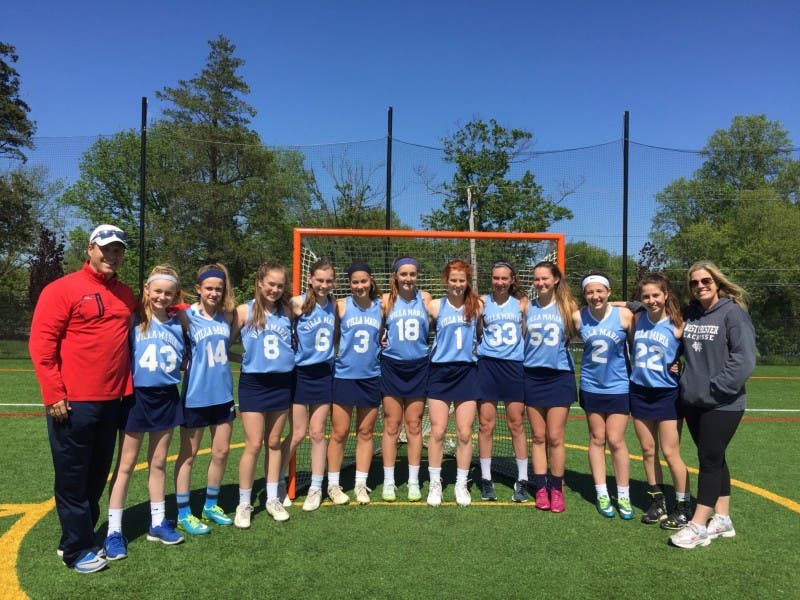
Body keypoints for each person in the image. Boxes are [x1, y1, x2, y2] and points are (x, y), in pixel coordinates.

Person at [29, 224, 137, 573]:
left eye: (118, 250)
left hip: (113, 401)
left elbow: (158, 307)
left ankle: (77, 538)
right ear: (90, 249)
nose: (112, 256)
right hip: (73, 403)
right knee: (73, 477)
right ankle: (76, 550)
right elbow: (41, 344)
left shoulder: (125, 294)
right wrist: (54, 394)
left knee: (96, 475)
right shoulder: (61, 289)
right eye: (106, 249)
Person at [669, 261, 755, 549]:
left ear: (717, 282)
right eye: (694, 282)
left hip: (723, 403)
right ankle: (722, 518)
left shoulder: (733, 313)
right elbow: (658, 308)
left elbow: (744, 359)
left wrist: (716, 388)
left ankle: (698, 526)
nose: (700, 286)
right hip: (692, 400)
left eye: (705, 281)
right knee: (715, 458)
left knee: (708, 460)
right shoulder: (690, 313)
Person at [105, 266, 186, 559]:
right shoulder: (134, 320)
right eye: (157, 291)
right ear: (147, 290)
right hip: (137, 397)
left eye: (168, 293)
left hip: (167, 396)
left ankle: (157, 522)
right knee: (126, 464)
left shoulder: (180, 323)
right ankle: (114, 530)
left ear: (175, 295)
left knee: (159, 461)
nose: (162, 297)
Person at [173, 264, 237, 535]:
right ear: (198, 289)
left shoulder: (228, 315)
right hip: (195, 395)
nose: (213, 293)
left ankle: (211, 505)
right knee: (188, 455)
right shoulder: (186, 316)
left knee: (221, 452)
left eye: (218, 289)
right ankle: (183, 512)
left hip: (223, 395)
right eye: (208, 288)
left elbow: (222, 348)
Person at [232, 262, 294, 528]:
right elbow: (223, 343)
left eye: (280, 285)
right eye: (270, 284)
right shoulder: (244, 311)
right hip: (254, 383)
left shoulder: (288, 311)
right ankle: (244, 503)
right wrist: (241, 358)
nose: (275, 289)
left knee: (274, 442)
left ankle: (272, 498)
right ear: (259, 283)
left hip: (281, 382)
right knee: (254, 444)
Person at [629, 273, 691, 530]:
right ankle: (657, 502)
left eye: (656, 295)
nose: (651, 300)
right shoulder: (637, 318)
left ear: (666, 295)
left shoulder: (678, 324)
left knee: (670, 452)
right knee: (647, 450)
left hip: (667, 394)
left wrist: (680, 367)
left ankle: (683, 506)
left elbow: (695, 355)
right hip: (639, 392)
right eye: (646, 296)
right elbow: (620, 305)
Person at [573, 272, 635, 519]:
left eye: (600, 291)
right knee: (597, 438)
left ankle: (623, 494)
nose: (595, 296)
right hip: (591, 385)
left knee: (616, 440)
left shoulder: (624, 316)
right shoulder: (578, 317)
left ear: (609, 292)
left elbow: (640, 340)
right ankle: (601, 492)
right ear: (584, 294)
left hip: (619, 385)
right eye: (590, 292)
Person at [281, 259, 337, 512]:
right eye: (320, 280)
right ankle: (276, 482)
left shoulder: (335, 305)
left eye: (328, 280)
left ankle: (316, 487)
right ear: (310, 279)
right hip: (300, 373)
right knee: (297, 433)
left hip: (324, 373)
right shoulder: (297, 303)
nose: (324, 285)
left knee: (317, 433)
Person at [523, 261, 579, 513]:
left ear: (556, 279)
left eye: (545, 278)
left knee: (555, 437)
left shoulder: (568, 307)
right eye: (536, 279)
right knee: (538, 437)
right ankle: (540, 488)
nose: (540, 283)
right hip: (532, 376)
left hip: (559, 377)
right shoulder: (528, 306)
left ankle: (556, 489)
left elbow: (598, 317)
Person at [426, 259, 481, 507]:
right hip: (439, 372)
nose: (457, 284)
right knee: (437, 431)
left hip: (467, 372)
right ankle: (435, 483)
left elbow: (483, 333)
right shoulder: (435, 306)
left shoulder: (477, 306)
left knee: (465, 432)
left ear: (467, 282)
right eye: (453, 280)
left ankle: (461, 483)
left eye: (462, 280)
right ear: (446, 281)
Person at [327, 262, 383, 505]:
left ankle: (361, 483)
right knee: (340, 432)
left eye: (364, 281)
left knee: (365, 432)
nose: (360, 286)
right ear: (349, 283)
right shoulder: (340, 305)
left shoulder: (382, 306)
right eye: (355, 282)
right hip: (344, 376)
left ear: (371, 281)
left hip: (371, 376)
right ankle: (333, 485)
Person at [476, 261, 529, 503]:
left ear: (512, 280)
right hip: (488, 366)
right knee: (486, 424)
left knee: (516, 423)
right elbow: (477, 332)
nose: (499, 282)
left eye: (504, 278)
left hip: (513, 367)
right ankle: (486, 478)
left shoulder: (522, 304)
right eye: (496, 278)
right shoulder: (482, 302)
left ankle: (523, 478)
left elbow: (526, 332)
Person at [380, 257, 432, 502]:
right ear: (396, 276)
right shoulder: (386, 301)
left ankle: (413, 481)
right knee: (391, 425)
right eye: (403, 274)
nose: (408, 278)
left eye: (412, 274)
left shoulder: (426, 299)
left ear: (417, 276)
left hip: (419, 366)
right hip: (391, 366)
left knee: (414, 425)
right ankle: (389, 481)